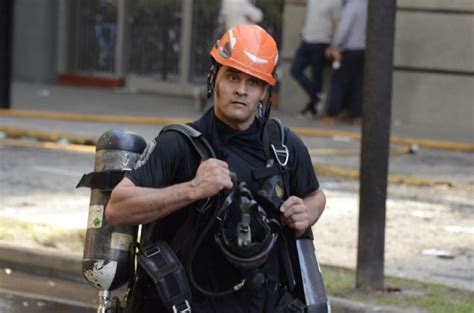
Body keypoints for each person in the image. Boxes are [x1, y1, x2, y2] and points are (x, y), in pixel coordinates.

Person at [106, 24, 326, 313]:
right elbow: (117, 208)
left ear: (265, 92)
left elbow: (316, 195)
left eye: (253, 82)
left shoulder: (284, 148)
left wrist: (307, 211)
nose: (241, 90)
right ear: (214, 78)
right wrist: (192, 189)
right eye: (232, 77)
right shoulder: (178, 144)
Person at [290, 0, 342, 119]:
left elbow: (336, 23)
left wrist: (333, 46)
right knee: (295, 69)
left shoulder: (336, 2)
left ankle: (311, 108)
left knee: (316, 77)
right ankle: (317, 95)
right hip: (306, 40)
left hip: (321, 42)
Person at [323, 0, 368, 125]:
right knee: (357, 84)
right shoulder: (367, 5)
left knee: (338, 82)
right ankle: (355, 115)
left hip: (349, 49)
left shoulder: (352, 6)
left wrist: (334, 46)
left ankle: (332, 115)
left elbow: (343, 29)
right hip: (363, 50)